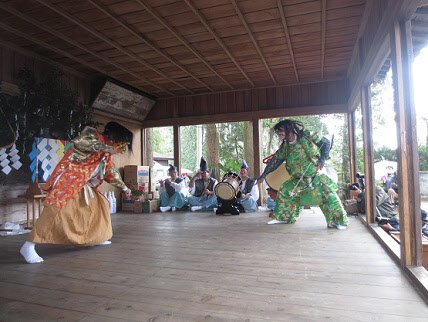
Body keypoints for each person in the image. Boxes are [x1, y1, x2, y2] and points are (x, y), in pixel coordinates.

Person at [20, 122, 133, 264]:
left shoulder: (106, 154)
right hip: (67, 180)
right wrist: (108, 148)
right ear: (111, 136)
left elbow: (111, 172)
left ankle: (95, 238)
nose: (119, 145)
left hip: (84, 184)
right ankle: (29, 246)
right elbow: (80, 143)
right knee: (54, 210)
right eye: (119, 141)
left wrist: (124, 188)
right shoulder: (91, 137)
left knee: (99, 206)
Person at [257, 119, 349, 229]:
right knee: (285, 190)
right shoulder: (285, 147)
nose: (279, 133)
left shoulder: (306, 136)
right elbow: (275, 161)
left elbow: (326, 142)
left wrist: (322, 159)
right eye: (277, 131)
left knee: (329, 195)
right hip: (298, 179)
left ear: (289, 130)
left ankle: (338, 222)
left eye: (281, 130)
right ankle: (283, 218)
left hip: (316, 176)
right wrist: (263, 175)